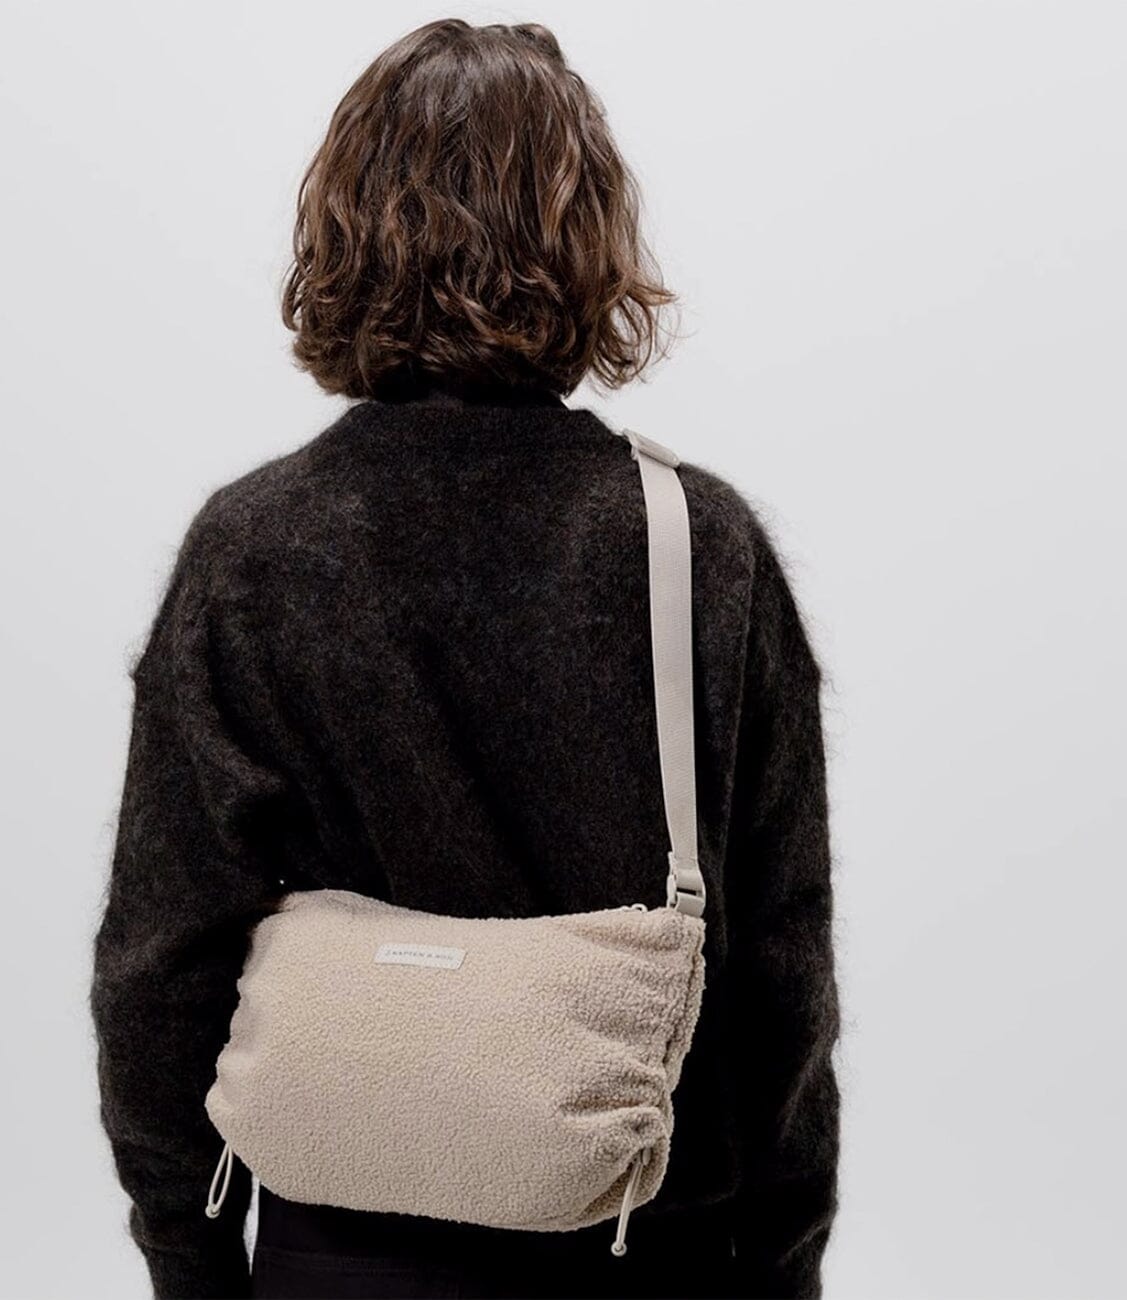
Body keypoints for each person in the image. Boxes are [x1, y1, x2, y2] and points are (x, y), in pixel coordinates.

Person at [90, 18, 840, 1300]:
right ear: (589, 238)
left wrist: (190, 1258)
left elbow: (161, 962)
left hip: (336, 1250)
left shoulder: (254, 549)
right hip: (645, 1244)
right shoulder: (694, 546)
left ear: (342, 232)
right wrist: (781, 1267)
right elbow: (780, 972)